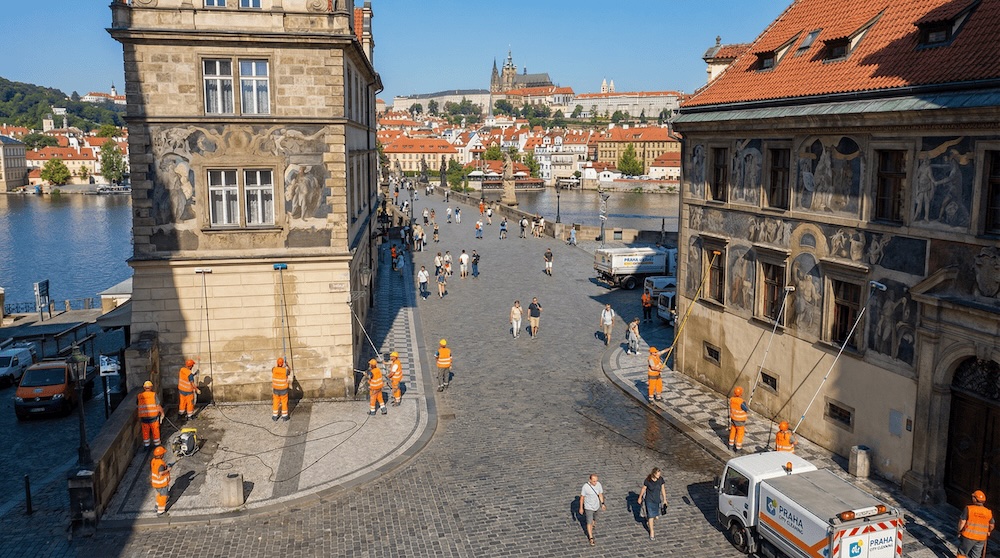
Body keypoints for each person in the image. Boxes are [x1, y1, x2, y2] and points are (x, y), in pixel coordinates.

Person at [957, 490, 994, 558]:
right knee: (976, 555)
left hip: (968, 536)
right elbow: (991, 525)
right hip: (981, 538)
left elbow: (962, 521)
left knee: (962, 553)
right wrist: (989, 531)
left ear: (975, 499)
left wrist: (959, 531)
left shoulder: (969, 509)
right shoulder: (988, 512)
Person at [638, 467, 667, 540]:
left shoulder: (660, 480)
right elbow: (643, 489)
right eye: (657, 475)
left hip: (657, 500)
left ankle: (649, 521)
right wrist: (640, 497)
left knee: (656, 517)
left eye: (659, 475)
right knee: (651, 516)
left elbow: (663, 489)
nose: (659, 476)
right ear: (654, 474)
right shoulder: (648, 480)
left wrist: (665, 500)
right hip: (649, 500)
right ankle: (652, 532)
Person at [579, 474, 606, 546]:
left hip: (596, 506)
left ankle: (592, 524)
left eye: (596, 481)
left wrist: (602, 503)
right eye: (594, 481)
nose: (595, 483)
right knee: (589, 522)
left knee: (594, 519)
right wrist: (581, 508)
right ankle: (591, 538)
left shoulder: (598, 484)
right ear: (590, 480)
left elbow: (600, 494)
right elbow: (582, 498)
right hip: (588, 507)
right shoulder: (585, 487)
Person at [137, 380, 165, 448]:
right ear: (151, 387)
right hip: (153, 417)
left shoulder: (139, 396)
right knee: (155, 431)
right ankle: (157, 445)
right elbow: (158, 406)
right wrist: (162, 413)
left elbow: (138, 404)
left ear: (144, 387)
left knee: (145, 432)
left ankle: (147, 445)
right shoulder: (153, 395)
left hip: (144, 418)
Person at [150, 445, 171, 516]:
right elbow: (161, 473)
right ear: (161, 455)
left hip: (156, 482)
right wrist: (168, 470)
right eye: (163, 454)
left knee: (159, 494)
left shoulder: (153, 460)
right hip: (162, 483)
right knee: (163, 497)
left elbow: (156, 469)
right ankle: (160, 512)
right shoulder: (161, 463)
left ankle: (157, 506)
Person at [729, 386, 749, 451]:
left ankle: (730, 445)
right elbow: (745, 409)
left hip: (733, 419)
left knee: (732, 432)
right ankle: (738, 448)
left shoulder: (732, 399)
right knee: (740, 434)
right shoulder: (741, 402)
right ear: (741, 393)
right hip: (740, 421)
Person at [272, 357, 291, 421]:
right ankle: (285, 416)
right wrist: (287, 365)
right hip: (283, 390)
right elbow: (289, 371)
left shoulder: (274, 369)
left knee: (275, 402)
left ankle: (275, 416)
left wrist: (278, 365)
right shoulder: (285, 370)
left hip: (276, 389)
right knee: (284, 403)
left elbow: (274, 368)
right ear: (283, 363)